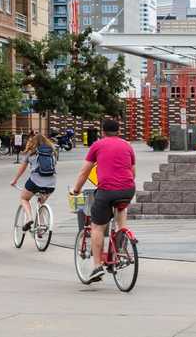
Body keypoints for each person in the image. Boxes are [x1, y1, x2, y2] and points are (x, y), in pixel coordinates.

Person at [70, 118, 136, 284]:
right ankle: (121, 246)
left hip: (106, 191)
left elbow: (85, 172)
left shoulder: (97, 145)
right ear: (119, 131)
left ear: (102, 131)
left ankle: (97, 266)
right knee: (121, 211)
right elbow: (133, 172)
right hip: (128, 189)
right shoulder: (128, 145)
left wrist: (76, 189)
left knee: (98, 227)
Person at [10, 133, 58, 231]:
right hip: (51, 184)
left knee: (24, 198)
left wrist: (15, 180)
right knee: (41, 202)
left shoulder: (31, 152)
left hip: (35, 182)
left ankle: (29, 218)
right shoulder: (52, 152)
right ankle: (41, 227)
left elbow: (22, 169)